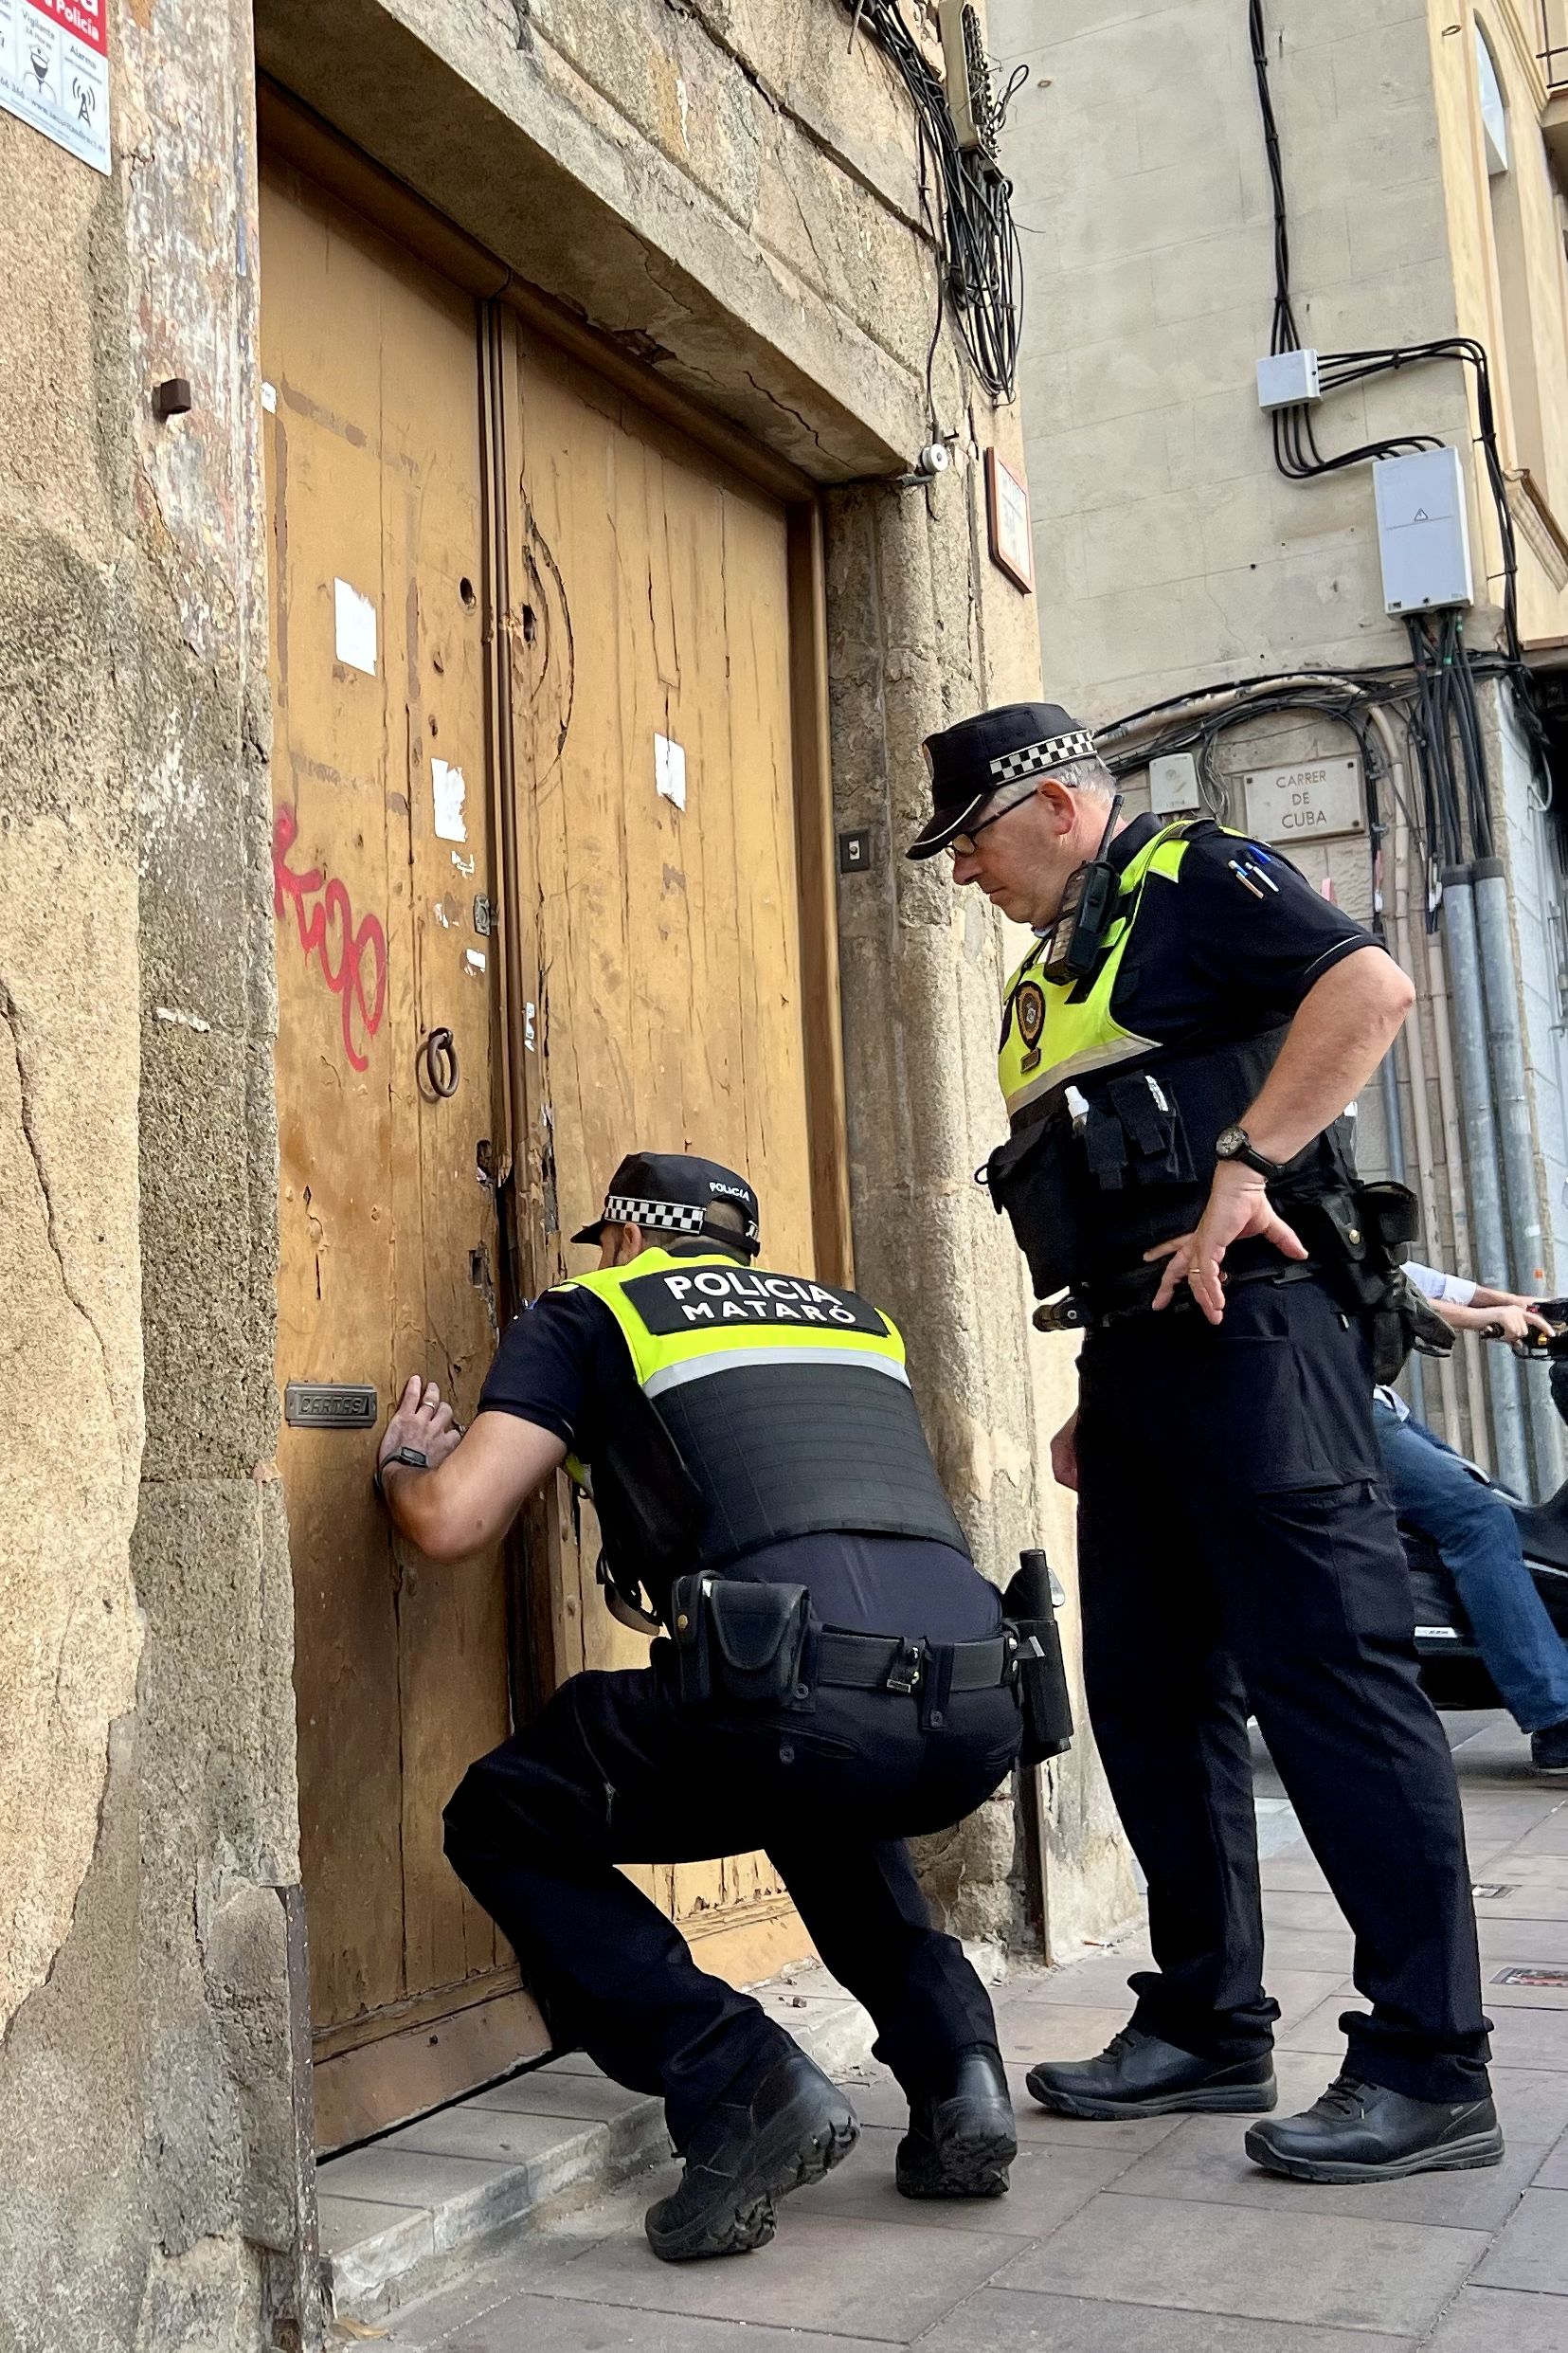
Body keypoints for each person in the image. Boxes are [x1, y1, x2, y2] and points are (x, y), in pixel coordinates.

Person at [906, 699, 1499, 2184]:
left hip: (1258, 1329)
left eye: (968, 837)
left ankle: (1430, 2062)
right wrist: (1106, 1378)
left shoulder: (1187, 873)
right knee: (1152, 1690)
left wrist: (1247, 1161)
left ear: (1049, 804)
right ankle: (1203, 2016)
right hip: (1144, 1348)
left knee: (1331, 1679)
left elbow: (1366, 991)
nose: (961, 871)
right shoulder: (1063, 960)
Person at [373, 1150, 1023, 2263]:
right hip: (975, 1696)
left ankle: (737, 2076)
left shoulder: (590, 1310)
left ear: (627, 1235)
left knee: (501, 1814)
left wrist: (402, 1465)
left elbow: (450, 1522)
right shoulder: (851, 1320)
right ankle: (958, 2072)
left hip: (802, 1689)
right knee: (816, 1777)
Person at [1378, 1262, 1568, 1771]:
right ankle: (1556, 1717)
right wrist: (1478, 1317)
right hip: (1339, 1411)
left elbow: (1405, 1274)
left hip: (1376, 1405)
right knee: (1479, 1521)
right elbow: (1377, 1292)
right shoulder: (1284, 1202)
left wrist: (1528, 1306)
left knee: (1498, 1508)